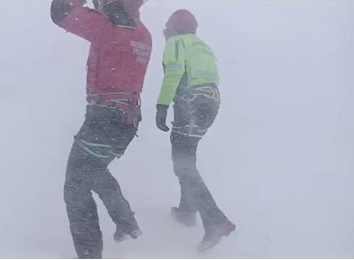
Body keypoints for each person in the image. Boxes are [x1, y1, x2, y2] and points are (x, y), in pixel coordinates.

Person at [50, 0, 152, 258]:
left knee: (75, 186)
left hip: (104, 117)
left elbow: (59, 11)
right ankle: (127, 223)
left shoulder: (108, 26)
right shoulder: (143, 33)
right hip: (127, 119)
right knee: (93, 171)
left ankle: (90, 254)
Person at [155, 9, 235, 251]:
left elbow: (175, 71)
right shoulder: (201, 45)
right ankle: (187, 210)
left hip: (191, 100)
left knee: (182, 162)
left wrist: (162, 105)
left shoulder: (177, 42)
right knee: (186, 156)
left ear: (172, 29)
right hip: (211, 100)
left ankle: (215, 220)